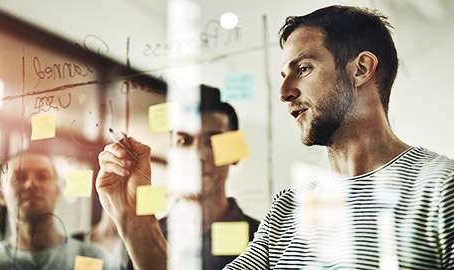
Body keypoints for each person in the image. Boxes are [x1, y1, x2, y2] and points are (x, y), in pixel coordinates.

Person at [95, 5, 454, 269]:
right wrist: (133, 218)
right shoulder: (286, 210)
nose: (284, 91)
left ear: (360, 69)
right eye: (284, 74)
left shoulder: (442, 188)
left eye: (302, 69)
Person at [113, 86, 260, 270]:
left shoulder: (265, 241)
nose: (197, 154)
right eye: (184, 141)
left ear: (235, 152)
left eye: (212, 141)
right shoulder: (138, 241)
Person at [0, 150, 113, 270]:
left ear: (57, 190)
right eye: (19, 177)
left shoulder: (91, 257)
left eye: (42, 176)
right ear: (2, 195)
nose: (31, 184)